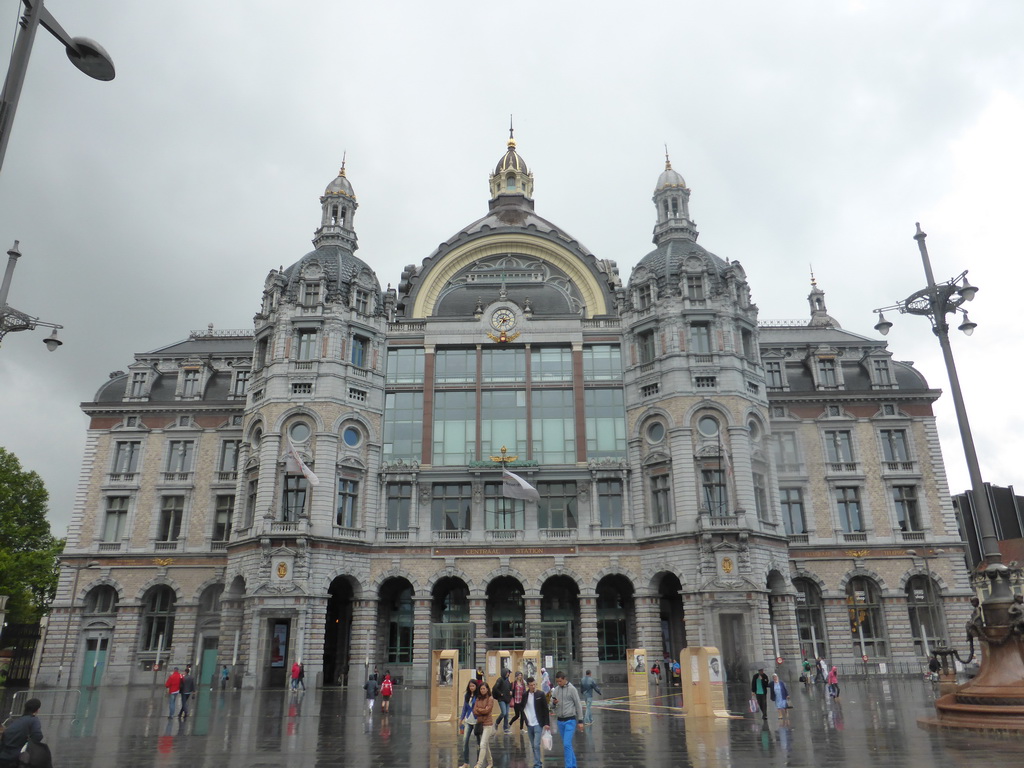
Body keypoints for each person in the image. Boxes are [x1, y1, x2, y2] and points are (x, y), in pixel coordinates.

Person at [549, 671, 584, 768]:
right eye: (557, 682)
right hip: (560, 721)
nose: (558, 683)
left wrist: (580, 720)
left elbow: (578, 704)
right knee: (567, 745)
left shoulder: (572, 689)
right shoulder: (556, 690)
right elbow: (551, 705)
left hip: (570, 720)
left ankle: (568, 766)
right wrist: (554, 703)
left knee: (566, 744)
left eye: (560, 681)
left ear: (565, 679)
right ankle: (573, 765)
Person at [0, 697, 43, 768]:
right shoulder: (33, 720)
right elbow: (37, 736)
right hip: (16, 759)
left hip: (3, 757)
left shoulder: (17, 721)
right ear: (37, 710)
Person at [521, 677, 550, 768]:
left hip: (538, 723)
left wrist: (547, 723)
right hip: (529, 724)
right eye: (531, 685)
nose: (533, 686)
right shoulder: (525, 695)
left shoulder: (540, 694)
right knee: (533, 745)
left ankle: (537, 764)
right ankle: (538, 762)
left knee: (536, 744)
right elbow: (522, 708)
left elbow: (545, 709)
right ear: (528, 686)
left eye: (534, 684)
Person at [473, 681, 496, 768]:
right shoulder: (478, 698)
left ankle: (479, 764)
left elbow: (487, 710)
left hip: (488, 724)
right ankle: (490, 763)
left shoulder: (490, 698)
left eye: (484, 688)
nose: (482, 690)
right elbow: (474, 710)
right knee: (485, 745)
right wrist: (481, 710)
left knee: (482, 744)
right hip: (480, 723)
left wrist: (479, 710)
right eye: (481, 689)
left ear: (487, 689)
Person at [459, 679, 480, 768]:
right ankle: (466, 762)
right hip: (468, 720)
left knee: (479, 743)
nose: (471, 688)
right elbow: (464, 708)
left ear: (476, 687)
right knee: (465, 741)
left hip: (476, 721)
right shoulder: (467, 695)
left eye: (473, 686)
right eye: (470, 686)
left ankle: (479, 762)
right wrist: (461, 718)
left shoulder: (479, 696)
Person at [493, 668, 512, 733]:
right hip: (501, 699)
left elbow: (509, 688)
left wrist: (510, 692)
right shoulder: (500, 680)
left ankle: (505, 728)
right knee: (503, 712)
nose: (508, 674)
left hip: (507, 699)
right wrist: (500, 693)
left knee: (506, 714)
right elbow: (495, 688)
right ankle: (497, 722)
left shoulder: (508, 681)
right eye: (507, 672)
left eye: (509, 673)